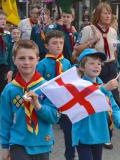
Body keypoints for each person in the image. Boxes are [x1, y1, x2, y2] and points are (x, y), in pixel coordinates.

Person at [0, 40, 60, 160]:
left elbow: (54, 117)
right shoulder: (9, 90)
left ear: (38, 59)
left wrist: (38, 106)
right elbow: (5, 120)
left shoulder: (47, 87)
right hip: (18, 143)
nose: (26, 62)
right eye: (22, 58)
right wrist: (5, 147)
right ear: (14, 60)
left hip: (42, 143)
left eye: (31, 58)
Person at [74, 2, 120, 120]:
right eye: (105, 13)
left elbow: (115, 48)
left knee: (113, 90)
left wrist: (115, 61)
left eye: (110, 13)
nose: (108, 16)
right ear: (98, 15)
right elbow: (77, 49)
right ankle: (94, 115)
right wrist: (92, 40)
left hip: (110, 65)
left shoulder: (113, 31)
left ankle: (118, 114)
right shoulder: (88, 29)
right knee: (95, 92)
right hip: (94, 66)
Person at [73, 48, 120, 160]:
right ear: (82, 67)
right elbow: (87, 98)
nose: (96, 66)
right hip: (83, 134)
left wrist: (119, 121)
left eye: (99, 63)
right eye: (92, 63)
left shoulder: (102, 85)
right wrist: (104, 88)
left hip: (99, 133)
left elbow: (112, 106)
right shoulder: (79, 84)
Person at [36, 30, 73, 160]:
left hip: (65, 102)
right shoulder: (42, 64)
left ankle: (70, 156)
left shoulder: (67, 63)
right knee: (46, 128)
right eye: (54, 43)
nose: (58, 46)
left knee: (69, 133)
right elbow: (37, 84)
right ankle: (43, 151)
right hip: (47, 102)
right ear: (46, 46)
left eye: (61, 43)